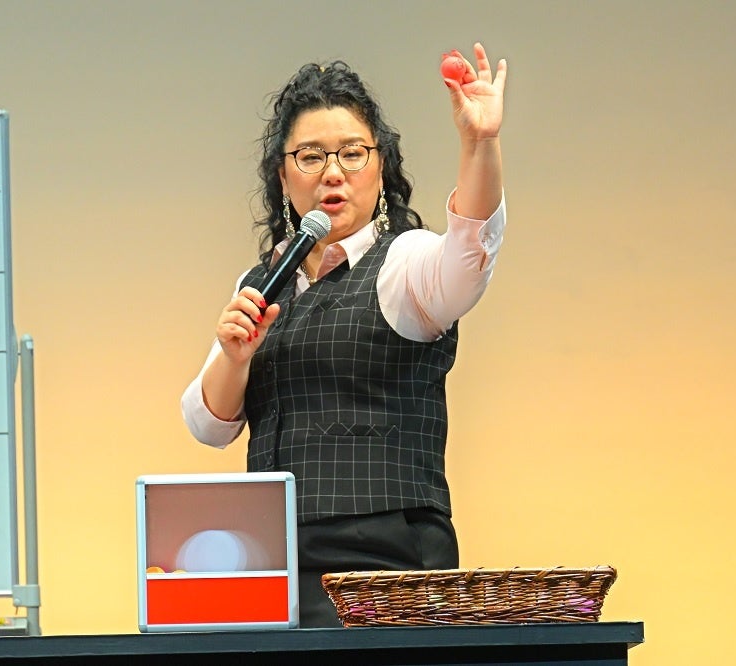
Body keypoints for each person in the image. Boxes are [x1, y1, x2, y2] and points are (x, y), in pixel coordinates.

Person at [181, 41, 507, 627]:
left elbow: (468, 255)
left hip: (387, 560)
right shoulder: (260, 282)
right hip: (275, 561)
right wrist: (234, 357)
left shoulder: (404, 262)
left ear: (380, 168)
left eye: (353, 154)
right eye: (310, 156)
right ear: (283, 176)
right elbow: (208, 425)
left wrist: (479, 143)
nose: (333, 172)